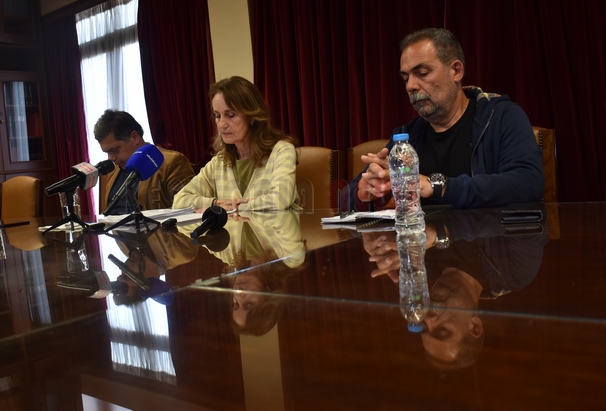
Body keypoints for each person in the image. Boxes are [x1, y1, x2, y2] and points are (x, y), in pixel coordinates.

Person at [345, 28, 544, 211]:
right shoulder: (407, 137)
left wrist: (436, 186)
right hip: (423, 239)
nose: (410, 86)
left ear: (456, 71)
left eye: (422, 73)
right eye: (405, 78)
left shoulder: (501, 116)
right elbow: (344, 198)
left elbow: (528, 184)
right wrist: (363, 193)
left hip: (488, 238)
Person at [362, 207, 547, 368]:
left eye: (423, 327)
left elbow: (364, 193)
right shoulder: (514, 271)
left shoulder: (421, 261)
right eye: (442, 331)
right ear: (474, 326)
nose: (429, 319)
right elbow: (530, 214)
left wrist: (371, 227)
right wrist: (441, 233)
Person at [173, 76, 300, 212]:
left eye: (230, 115)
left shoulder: (282, 151)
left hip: (278, 226)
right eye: (217, 115)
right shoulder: (219, 161)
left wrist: (234, 207)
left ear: (252, 116)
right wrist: (215, 203)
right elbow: (179, 200)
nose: (221, 124)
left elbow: (281, 199)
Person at [94, 109, 195, 215]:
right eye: (107, 152)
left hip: (155, 226)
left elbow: (187, 209)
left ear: (135, 137)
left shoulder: (171, 162)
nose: (111, 158)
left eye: (115, 150)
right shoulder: (114, 170)